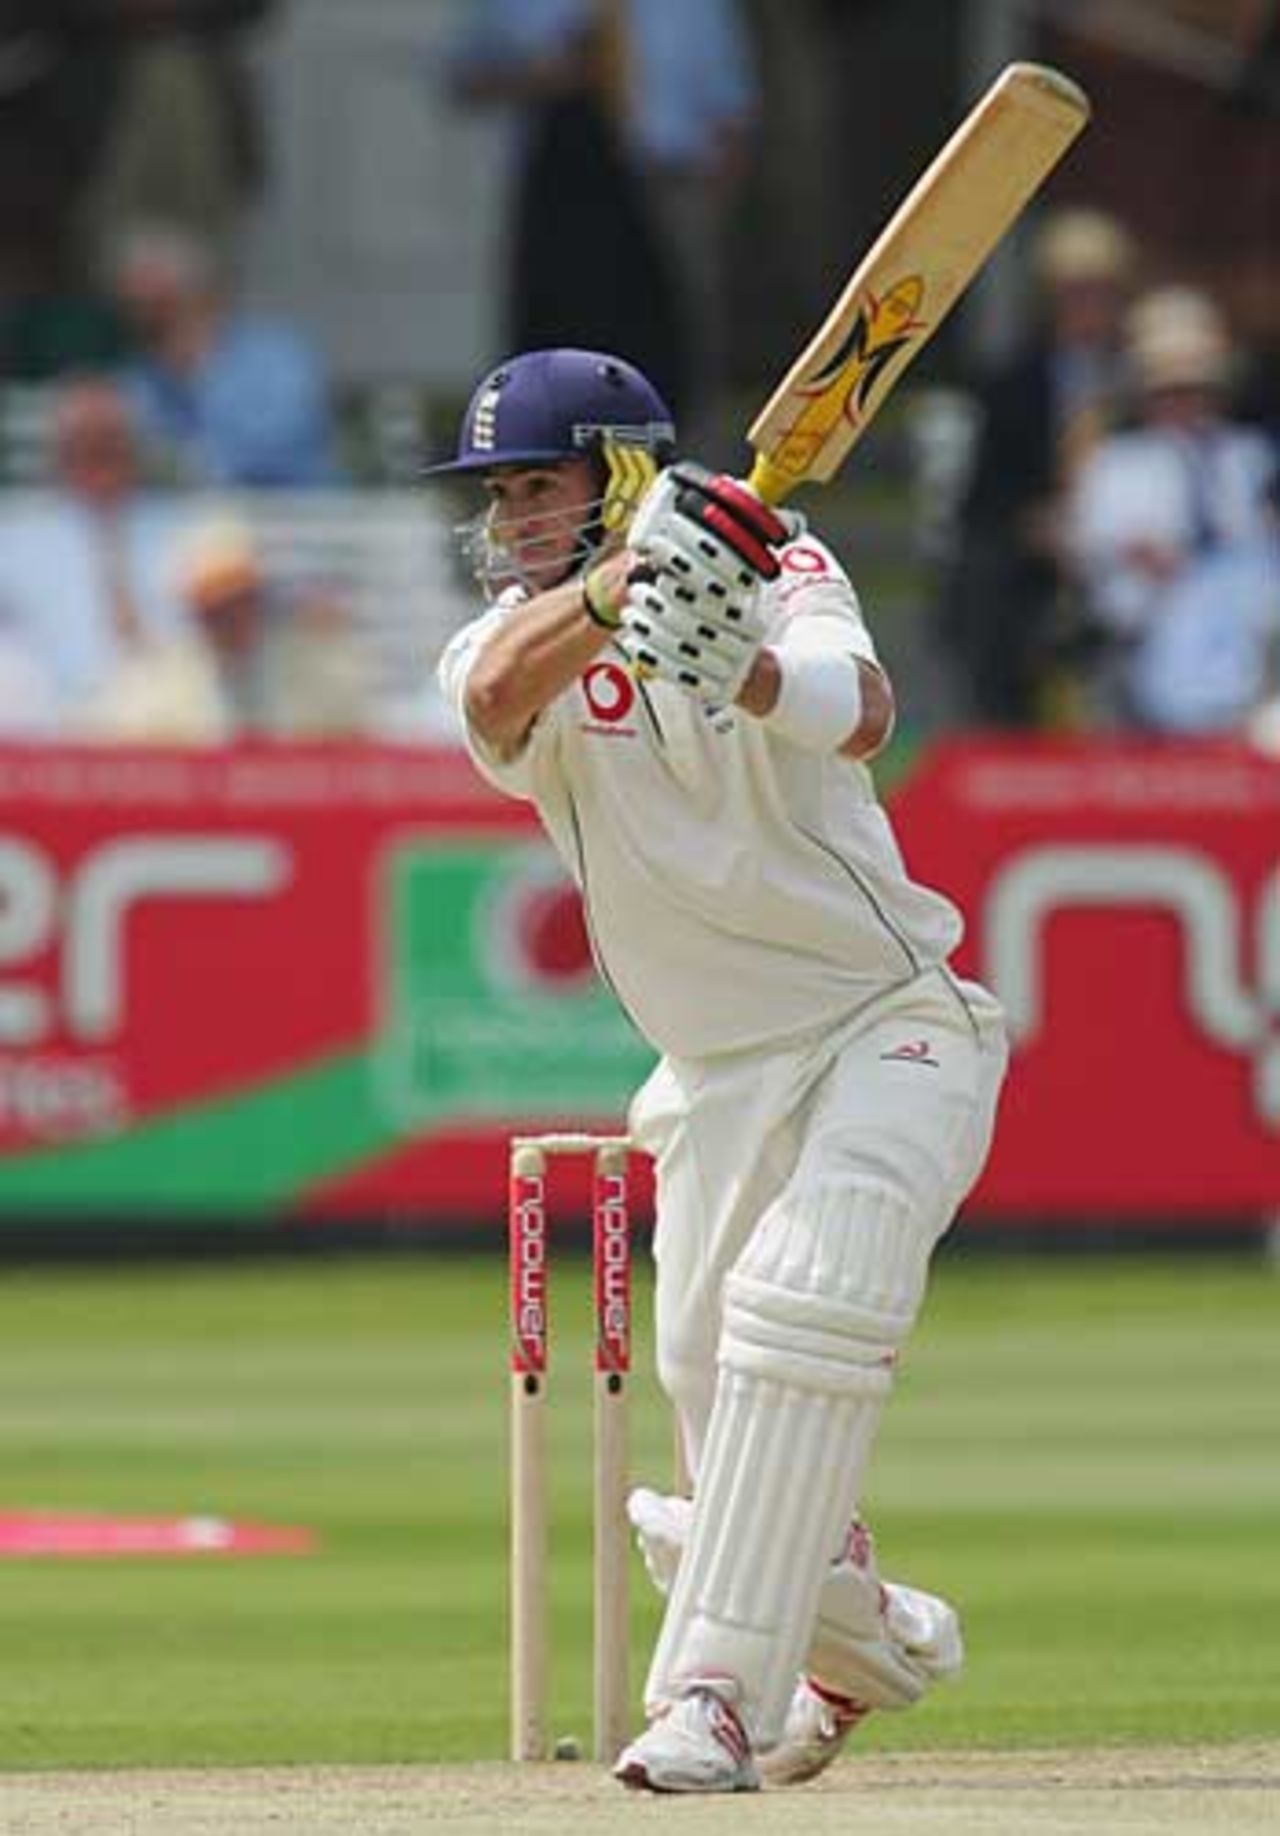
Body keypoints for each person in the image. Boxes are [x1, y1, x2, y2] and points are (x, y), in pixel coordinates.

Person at [430, 347, 1008, 1792]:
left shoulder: (784, 561)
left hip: (891, 1025)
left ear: (618, 471)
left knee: (794, 1316)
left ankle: (708, 1702)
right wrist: (619, 594)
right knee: (713, 1382)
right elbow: (494, 701)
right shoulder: (514, 636)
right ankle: (865, 1636)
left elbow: (861, 706)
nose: (510, 521)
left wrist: (733, 661)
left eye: (537, 487)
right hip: (710, 1079)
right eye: (497, 495)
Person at [445, 0, 756, 437]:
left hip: (667, 181)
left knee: (675, 344)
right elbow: (463, 75)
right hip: (559, 187)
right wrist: (541, 75)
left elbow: (731, 105)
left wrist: (720, 194)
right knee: (557, 337)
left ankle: (676, 461)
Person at [938, 207, 1137, 726]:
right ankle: (1007, 742)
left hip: (1129, 546)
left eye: (1101, 292)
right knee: (987, 579)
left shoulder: (1141, 377)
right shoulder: (1013, 382)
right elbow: (983, 493)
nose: (1088, 306)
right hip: (1036, 554)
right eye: (1075, 292)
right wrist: (1036, 523)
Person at [1066, 286, 1280, 735]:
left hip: (1248, 641)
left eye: (1196, 392)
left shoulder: (1248, 455)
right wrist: (1145, 556)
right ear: (1147, 396)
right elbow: (1092, 542)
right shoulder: (1118, 462)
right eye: (1171, 393)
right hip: (1139, 634)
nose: (1185, 405)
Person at [0, 376, 209, 733]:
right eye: (84, 441)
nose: (98, 453)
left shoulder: (184, 531)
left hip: (174, 729)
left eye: (110, 440)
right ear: (61, 454)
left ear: (134, 449)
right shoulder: (17, 542)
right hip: (54, 730)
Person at [108, 220, 339, 487]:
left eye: (160, 305)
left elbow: (282, 451)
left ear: (197, 294)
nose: (143, 319)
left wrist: (190, 465)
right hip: (184, 525)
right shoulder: (138, 382)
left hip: (296, 521)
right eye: (135, 308)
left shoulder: (277, 358)